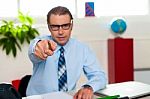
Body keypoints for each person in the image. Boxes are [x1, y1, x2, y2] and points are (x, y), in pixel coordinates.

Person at [26, 6, 107, 99]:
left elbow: (99, 76)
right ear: (49, 27)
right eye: (55, 27)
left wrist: (89, 87)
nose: (61, 32)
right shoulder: (41, 44)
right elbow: (34, 51)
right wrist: (38, 47)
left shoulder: (82, 49)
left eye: (65, 26)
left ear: (71, 26)